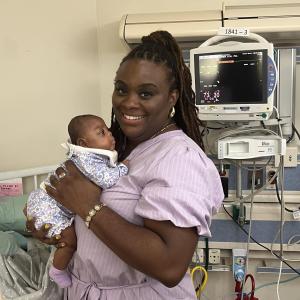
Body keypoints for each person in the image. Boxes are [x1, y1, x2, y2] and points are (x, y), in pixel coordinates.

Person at [25, 30, 224, 299]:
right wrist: (53, 225)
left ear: (172, 98)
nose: (129, 102)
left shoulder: (178, 158)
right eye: (121, 89)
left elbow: (169, 266)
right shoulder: (116, 146)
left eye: (146, 93)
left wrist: (87, 207)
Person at [26, 114, 128, 288]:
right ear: (83, 144)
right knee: (69, 241)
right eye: (101, 133)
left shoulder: (90, 156)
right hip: (47, 206)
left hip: (45, 201)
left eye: (108, 130)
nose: (110, 134)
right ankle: (57, 270)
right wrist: (124, 167)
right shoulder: (87, 159)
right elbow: (107, 179)